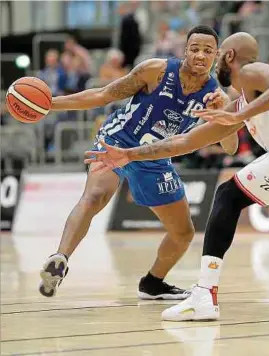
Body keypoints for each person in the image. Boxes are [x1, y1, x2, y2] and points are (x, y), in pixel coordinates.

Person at [85, 32, 269, 321]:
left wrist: (239, 116)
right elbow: (185, 143)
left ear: (228, 57)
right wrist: (131, 154)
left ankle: (204, 296)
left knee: (228, 194)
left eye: (217, 57)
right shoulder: (238, 105)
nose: (212, 67)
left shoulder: (251, 71)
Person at [39, 25, 239, 300]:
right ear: (185, 51)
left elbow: (231, 146)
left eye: (207, 51)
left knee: (183, 234)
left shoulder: (217, 97)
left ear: (216, 56)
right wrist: (50, 103)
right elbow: (103, 95)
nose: (200, 56)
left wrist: (220, 116)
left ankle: (153, 283)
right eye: (194, 49)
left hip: (154, 157)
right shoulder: (155, 70)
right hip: (117, 142)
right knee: (94, 196)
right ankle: (60, 257)